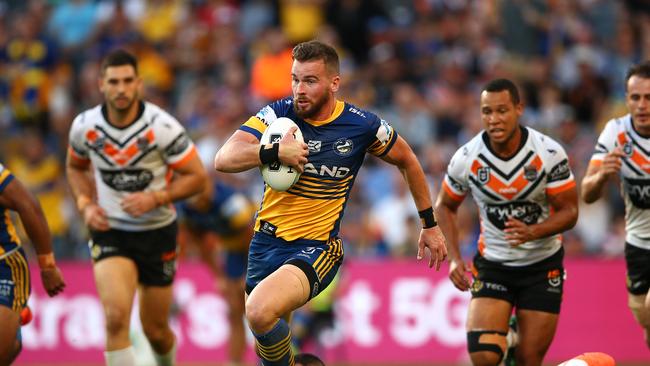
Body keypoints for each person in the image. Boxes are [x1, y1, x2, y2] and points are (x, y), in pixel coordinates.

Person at [213, 40, 448, 366]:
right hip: (264, 243)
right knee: (268, 348)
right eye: (295, 79)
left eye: (309, 80)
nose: (299, 89)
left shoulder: (361, 125)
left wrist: (430, 224)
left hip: (315, 247)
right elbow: (224, 158)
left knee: (258, 312)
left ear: (334, 83)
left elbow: (408, 159)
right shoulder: (279, 114)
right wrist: (273, 152)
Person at [65, 49, 207, 366]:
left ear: (139, 83)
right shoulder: (85, 126)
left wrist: (156, 198)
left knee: (155, 330)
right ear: (101, 84)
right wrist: (85, 204)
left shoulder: (162, 127)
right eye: (113, 81)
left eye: (128, 81)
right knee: (115, 318)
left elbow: (197, 178)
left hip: (157, 232)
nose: (121, 88)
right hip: (110, 230)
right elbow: (74, 167)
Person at [435, 78, 578, 366]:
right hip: (494, 265)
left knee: (529, 359)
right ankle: (507, 340)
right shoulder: (467, 158)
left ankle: (513, 343)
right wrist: (454, 258)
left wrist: (533, 231)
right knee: (483, 356)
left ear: (519, 109)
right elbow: (445, 206)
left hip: (542, 265)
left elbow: (570, 212)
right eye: (487, 112)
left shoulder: (548, 154)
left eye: (502, 111)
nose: (494, 119)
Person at [581, 61, 650, 349]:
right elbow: (586, 192)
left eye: (649, 97)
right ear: (626, 99)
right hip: (637, 243)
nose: (642, 105)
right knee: (645, 320)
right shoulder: (616, 132)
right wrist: (602, 176)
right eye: (636, 97)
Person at [178, 179, 255, 366]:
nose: (200, 206)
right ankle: (235, 362)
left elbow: (252, 235)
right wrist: (220, 276)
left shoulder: (229, 201)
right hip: (232, 249)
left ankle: (278, 357)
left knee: (255, 310)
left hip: (257, 247)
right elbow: (199, 244)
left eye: (202, 202)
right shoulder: (188, 208)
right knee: (234, 310)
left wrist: (252, 273)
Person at [0, 162, 66, 364]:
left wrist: (47, 265)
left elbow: (27, 204)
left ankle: (11, 335)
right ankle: (13, 338)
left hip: (4, 265)